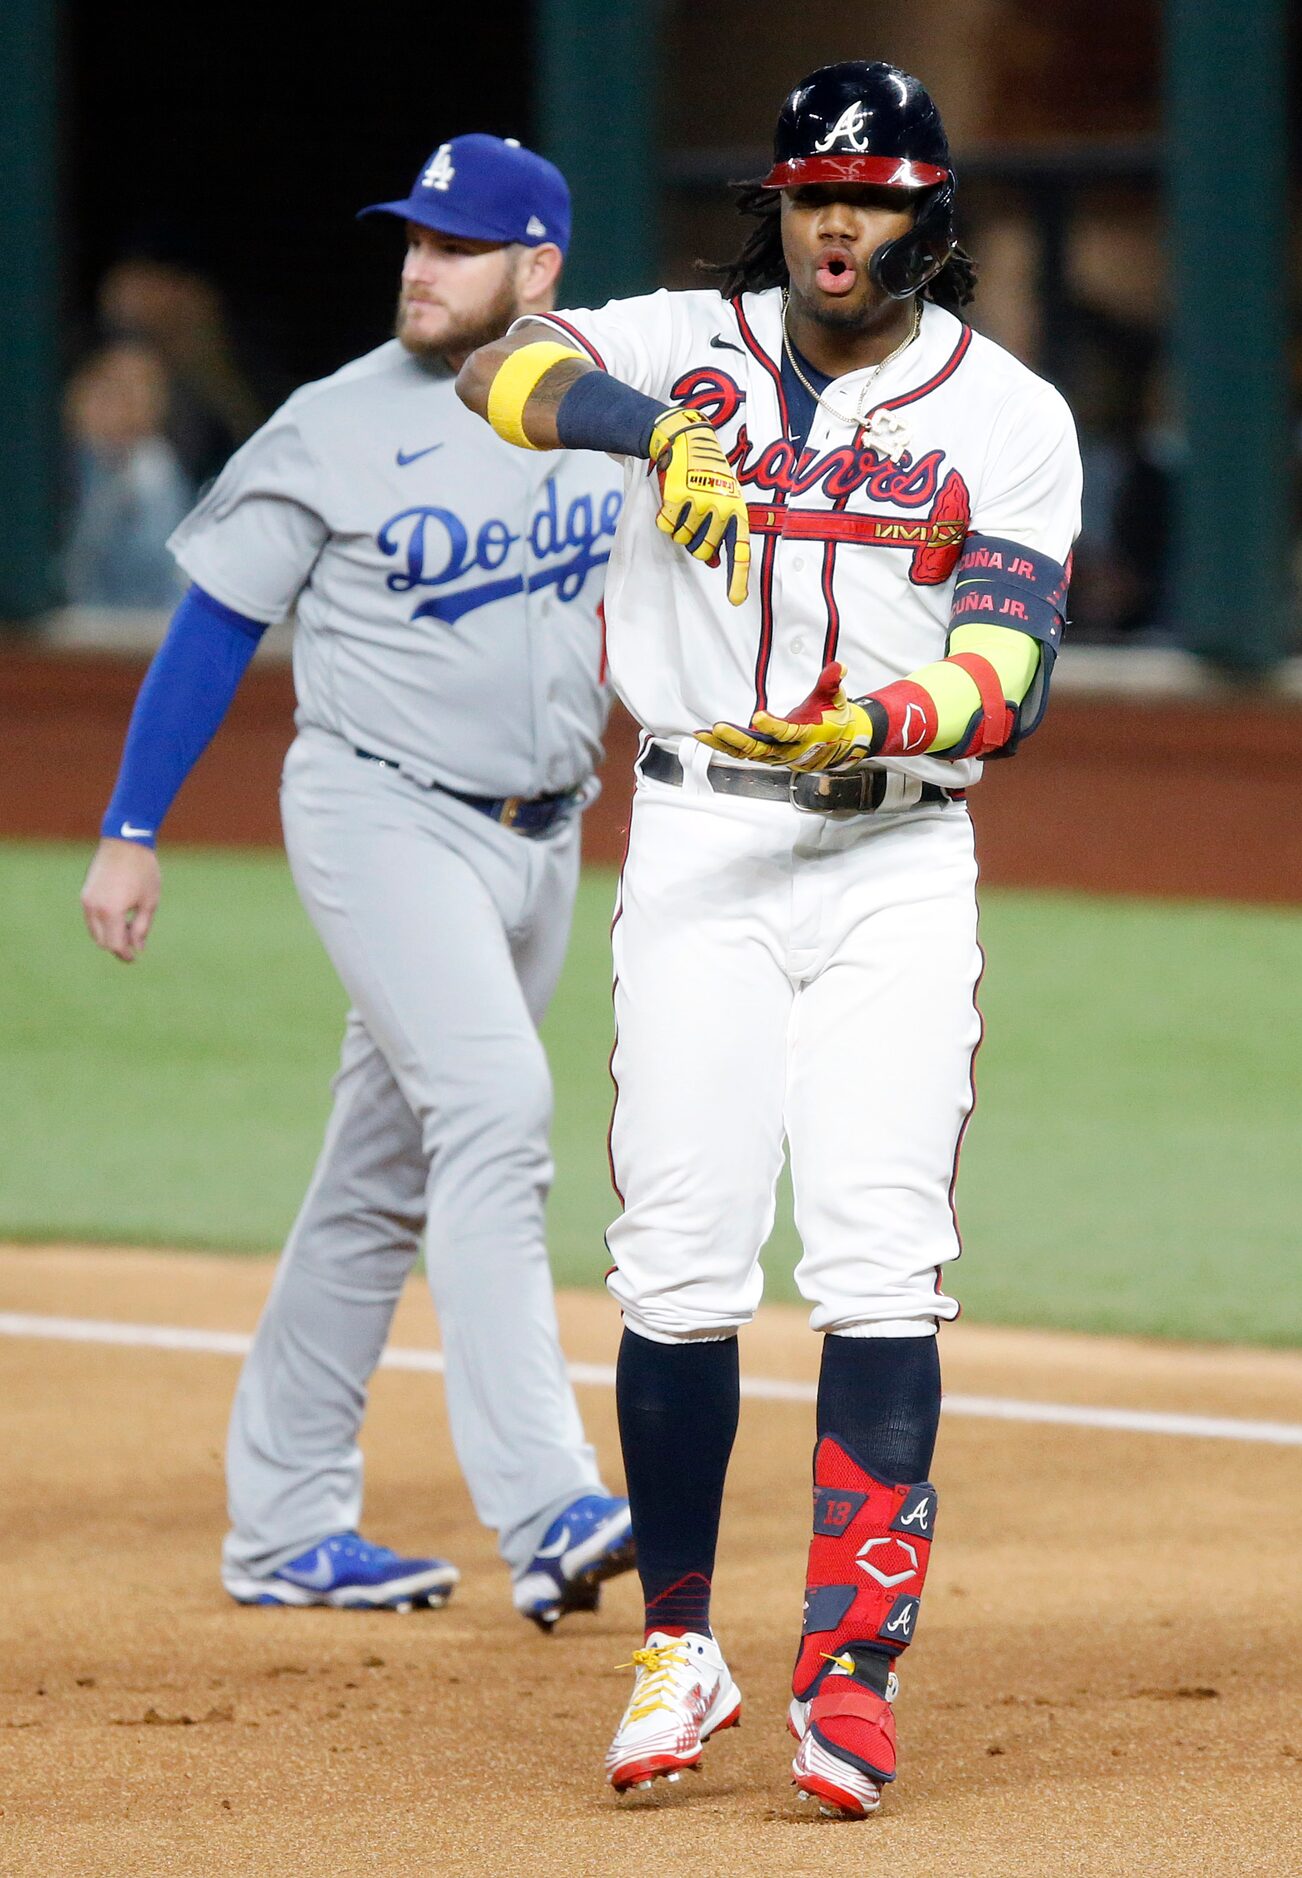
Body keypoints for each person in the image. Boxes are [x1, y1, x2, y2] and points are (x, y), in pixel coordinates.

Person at [459, 64, 1080, 1811]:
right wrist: (646, 425)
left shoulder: (1007, 412)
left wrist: (887, 714)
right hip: (698, 839)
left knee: (878, 1253)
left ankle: (847, 1667)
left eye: (872, 195)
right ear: (778, 205)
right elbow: (498, 363)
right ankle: (679, 1640)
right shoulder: (677, 339)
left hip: (894, 856)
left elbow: (1012, 660)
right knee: (676, 1250)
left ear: (925, 217)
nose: (836, 222)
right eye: (813, 190)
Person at [80, 134, 634, 1628]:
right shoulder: (333, 425)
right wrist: (133, 828)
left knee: (378, 1178)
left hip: (543, 837)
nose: (419, 265)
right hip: (380, 817)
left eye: (455, 245)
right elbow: (211, 627)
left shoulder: (602, 412)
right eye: (412, 238)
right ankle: (549, 1500)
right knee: (498, 1110)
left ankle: (282, 1522)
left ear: (539, 269)